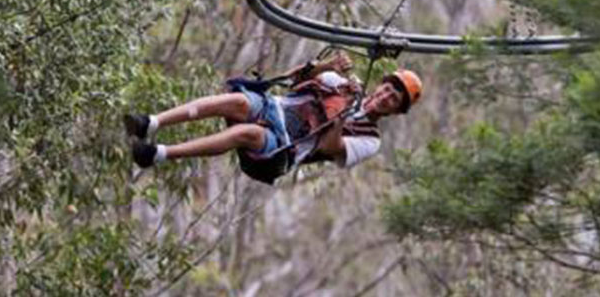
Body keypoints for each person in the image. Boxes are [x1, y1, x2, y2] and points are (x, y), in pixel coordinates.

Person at [123, 52, 422, 184]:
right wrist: (327, 66)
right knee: (238, 101)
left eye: (394, 99)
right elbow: (295, 80)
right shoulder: (342, 83)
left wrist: (342, 113)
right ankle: (152, 122)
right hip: (276, 107)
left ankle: (159, 154)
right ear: (381, 84)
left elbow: (329, 148)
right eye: (388, 88)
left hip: (285, 146)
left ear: (395, 111)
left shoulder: (370, 139)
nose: (386, 96)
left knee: (249, 134)